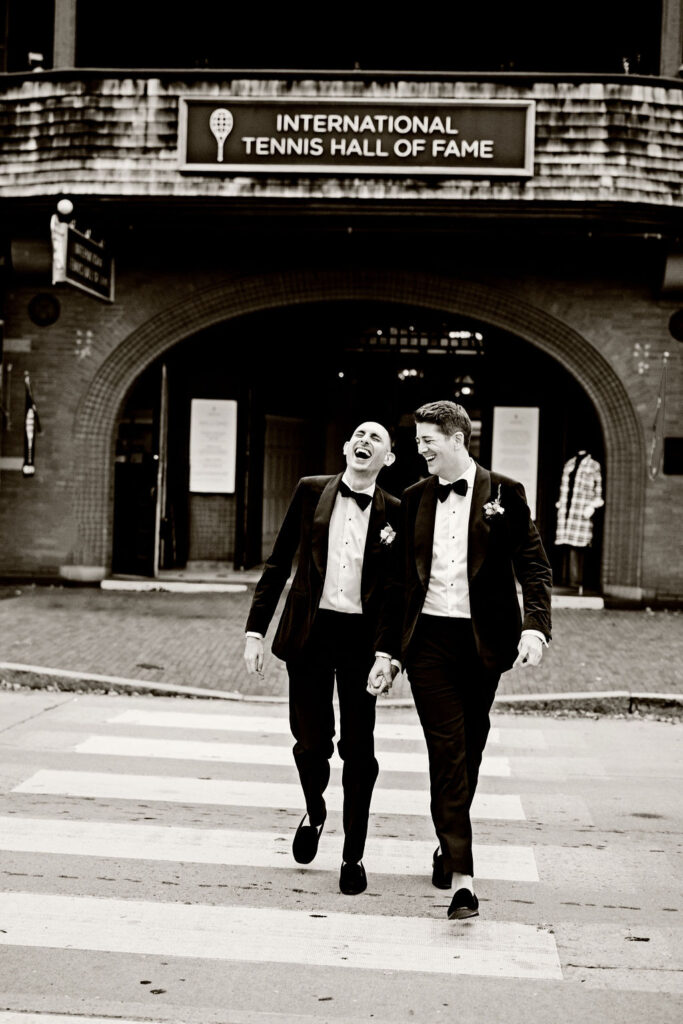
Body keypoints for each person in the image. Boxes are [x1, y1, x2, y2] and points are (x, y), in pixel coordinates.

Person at [369, 400, 552, 920]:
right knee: (447, 752)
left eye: (427, 440)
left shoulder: (505, 494)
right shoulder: (413, 498)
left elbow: (534, 566)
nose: (419, 449)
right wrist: (388, 653)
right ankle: (464, 880)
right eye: (418, 440)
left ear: (455, 439)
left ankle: (447, 842)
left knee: (469, 751)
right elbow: (399, 585)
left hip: (483, 645)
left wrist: (535, 627)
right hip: (427, 644)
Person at [244, 421, 400, 895]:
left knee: (359, 752)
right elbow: (278, 562)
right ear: (346, 446)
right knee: (311, 744)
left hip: (361, 642)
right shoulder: (311, 491)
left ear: (388, 459)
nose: (364, 441)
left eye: (377, 439)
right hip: (309, 635)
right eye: (359, 434)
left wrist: (389, 655)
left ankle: (353, 854)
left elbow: (398, 591)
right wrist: (255, 630)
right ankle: (314, 810)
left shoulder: (397, 510)